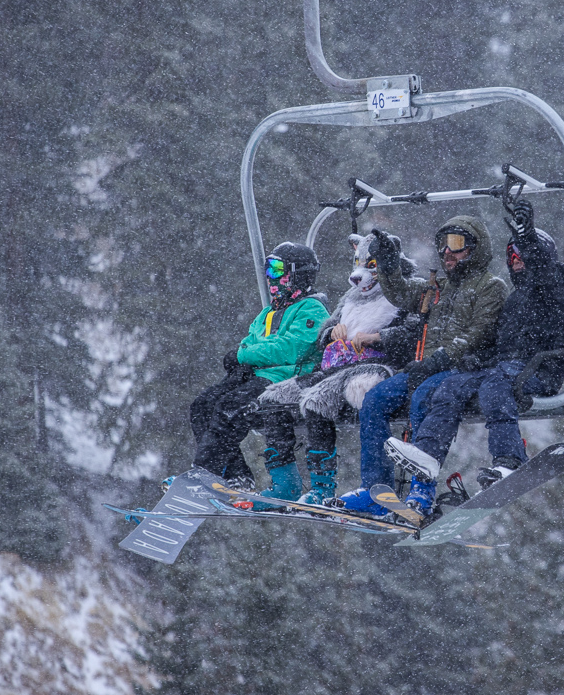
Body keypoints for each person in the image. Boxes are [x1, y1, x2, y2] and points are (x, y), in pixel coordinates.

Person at [385, 196, 564, 497]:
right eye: (510, 255)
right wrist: (478, 358)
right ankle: (428, 456)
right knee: (451, 387)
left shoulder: (556, 283)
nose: (516, 259)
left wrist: (527, 238)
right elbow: (503, 346)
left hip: (540, 370)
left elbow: (543, 271)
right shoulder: (516, 299)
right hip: (508, 369)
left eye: (522, 254)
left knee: (496, 386)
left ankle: (509, 460)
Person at [327, 214, 508, 523]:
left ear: (475, 248)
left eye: (456, 244)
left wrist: (438, 360)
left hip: (462, 369)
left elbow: (478, 332)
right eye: (443, 245)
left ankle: (421, 490)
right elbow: (400, 292)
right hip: (427, 366)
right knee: (374, 400)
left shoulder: (490, 287)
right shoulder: (437, 288)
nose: (447, 252)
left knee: (424, 396)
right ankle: (375, 489)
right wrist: (387, 264)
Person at [231, 233, 418, 506]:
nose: (359, 275)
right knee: (274, 398)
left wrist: (377, 337)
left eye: (371, 265)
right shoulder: (351, 298)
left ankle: (323, 485)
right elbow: (323, 335)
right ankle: (284, 483)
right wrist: (333, 332)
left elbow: (412, 334)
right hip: (338, 365)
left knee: (317, 401)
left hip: (373, 363)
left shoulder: (405, 294)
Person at [186, 243, 326, 479]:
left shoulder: (312, 309)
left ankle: (206, 470)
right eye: (268, 269)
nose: (270, 277)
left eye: (277, 270)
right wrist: (245, 360)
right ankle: (234, 475)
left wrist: (243, 356)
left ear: (295, 274)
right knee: (202, 406)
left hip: (286, 379)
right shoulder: (268, 313)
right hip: (259, 375)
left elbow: (289, 349)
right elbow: (250, 341)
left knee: (229, 409)